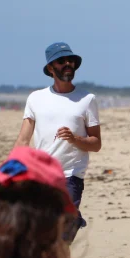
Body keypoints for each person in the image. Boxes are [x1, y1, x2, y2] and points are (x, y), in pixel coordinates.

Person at [14, 42, 101, 243]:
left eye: (70, 60)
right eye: (61, 61)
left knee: (62, 236)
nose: (68, 64)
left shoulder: (87, 99)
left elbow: (96, 143)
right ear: (51, 68)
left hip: (71, 175)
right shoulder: (36, 98)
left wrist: (75, 139)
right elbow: (23, 139)